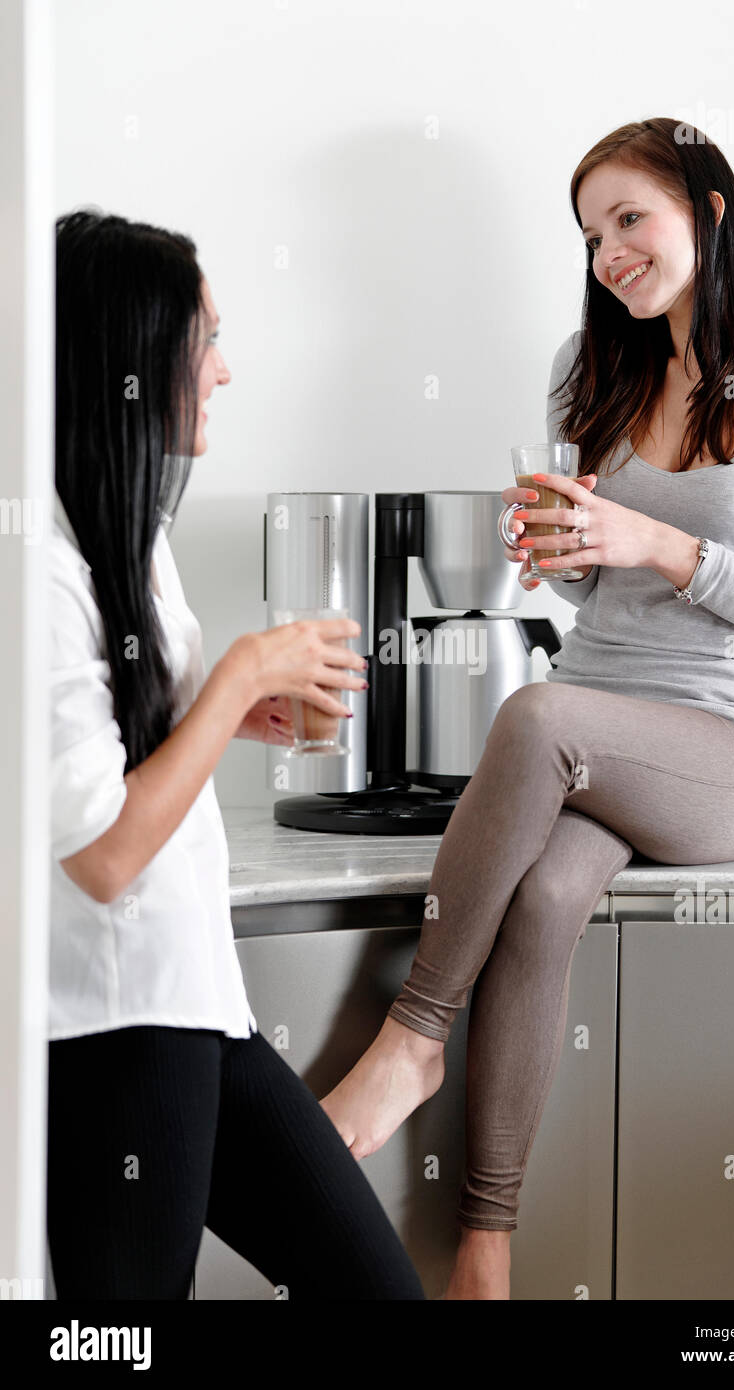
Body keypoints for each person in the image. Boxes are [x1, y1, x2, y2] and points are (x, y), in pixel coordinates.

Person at [319, 116, 734, 1300]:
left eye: (629, 219)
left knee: (533, 716)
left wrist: (657, 542)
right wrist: (554, 550)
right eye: (589, 235)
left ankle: (410, 1037)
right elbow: (585, 583)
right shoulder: (593, 365)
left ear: (707, 211)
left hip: (725, 756)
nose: (609, 254)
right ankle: (486, 1247)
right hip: (590, 738)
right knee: (548, 894)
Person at [47, 209, 425, 1301]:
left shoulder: (129, 530)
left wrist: (223, 710)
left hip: (198, 1003)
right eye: (204, 340)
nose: (224, 368)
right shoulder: (40, 572)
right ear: (130, 357)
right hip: (115, 1030)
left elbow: (130, 756)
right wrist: (237, 678)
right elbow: (102, 854)